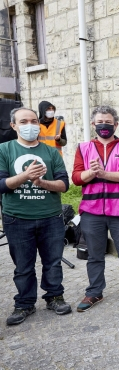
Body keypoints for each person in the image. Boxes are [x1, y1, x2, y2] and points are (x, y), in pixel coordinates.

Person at [0, 107, 71, 325]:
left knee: (53, 262)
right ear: (14, 126)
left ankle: (54, 297)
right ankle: (24, 304)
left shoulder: (50, 152)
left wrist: (41, 183)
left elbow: (63, 185)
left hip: (51, 217)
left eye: (33, 121)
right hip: (17, 218)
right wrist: (25, 176)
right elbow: (1, 185)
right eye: (23, 122)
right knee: (23, 266)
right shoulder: (4, 149)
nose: (30, 125)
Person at [72, 105, 119, 311]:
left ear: (116, 125)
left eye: (108, 123)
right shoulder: (83, 148)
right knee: (94, 254)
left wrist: (104, 174)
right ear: (93, 124)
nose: (104, 126)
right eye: (100, 122)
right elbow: (76, 178)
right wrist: (91, 173)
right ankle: (94, 292)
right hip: (92, 210)